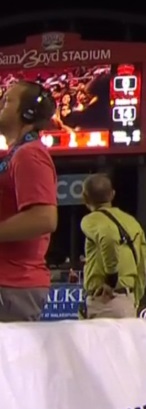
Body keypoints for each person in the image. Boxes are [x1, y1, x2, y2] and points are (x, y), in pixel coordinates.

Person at [0, 81, 58, 322]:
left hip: (11, 285)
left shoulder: (29, 154)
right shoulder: (18, 154)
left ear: (27, 113)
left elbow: (43, 218)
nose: (0, 106)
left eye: (7, 102)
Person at [80, 173, 146, 318]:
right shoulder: (132, 222)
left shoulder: (90, 220)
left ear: (85, 197)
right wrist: (135, 297)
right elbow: (142, 263)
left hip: (105, 300)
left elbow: (108, 237)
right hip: (127, 300)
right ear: (112, 195)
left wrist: (111, 280)